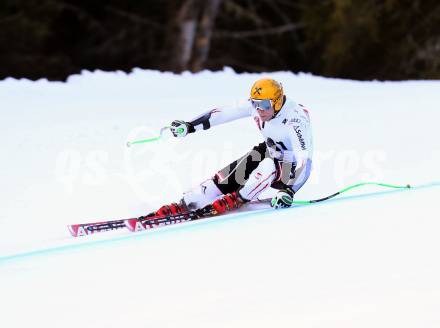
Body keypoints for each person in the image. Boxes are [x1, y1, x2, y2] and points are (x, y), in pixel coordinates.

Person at [153, 78, 313, 217]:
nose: (259, 110)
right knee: (230, 175)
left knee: (267, 166)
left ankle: (238, 199)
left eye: (264, 105)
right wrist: (190, 126)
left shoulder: (295, 119)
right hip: (270, 150)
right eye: (255, 104)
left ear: (277, 101)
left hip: (290, 168)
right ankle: (188, 202)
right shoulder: (258, 107)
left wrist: (290, 191)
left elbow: (305, 163)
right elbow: (223, 113)